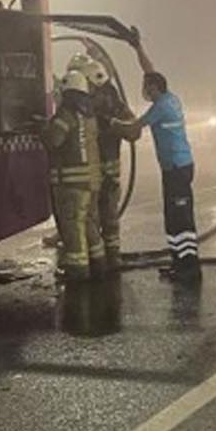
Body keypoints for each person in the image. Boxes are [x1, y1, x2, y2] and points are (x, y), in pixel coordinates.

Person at [115, 37, 200, 282]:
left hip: (177, 168)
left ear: (155, 88)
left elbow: (134, 128)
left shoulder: (162, 107)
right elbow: (150, 69)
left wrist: (110, 123)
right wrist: (138, 47)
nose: (144, 90)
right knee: (172, 215)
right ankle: (179, 261)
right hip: (175, 167)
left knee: (181, 216)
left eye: (146, 87)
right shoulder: (169, 96)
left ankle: (189, 267)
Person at [40, 70, 105, 280]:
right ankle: (99, 263)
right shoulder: (88, 115)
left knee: (72, 227)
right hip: (91, 181)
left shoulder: (66, 114)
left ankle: (78, 270)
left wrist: (42, 128)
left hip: (71, 183)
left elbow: (54, 140)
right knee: (87, 223)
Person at [75, 55, 132, 271]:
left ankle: (96, 260)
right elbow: (130, 124)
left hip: (94, 170)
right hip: (110, 168)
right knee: (109, 214)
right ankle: (112, 256)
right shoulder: (112, 95)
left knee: (90, 214)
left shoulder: (84, 103)